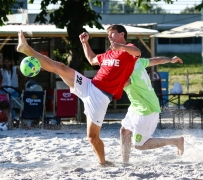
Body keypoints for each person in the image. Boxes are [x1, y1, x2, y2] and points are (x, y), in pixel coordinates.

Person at [16, 24, 141, 165]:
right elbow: (92, 60)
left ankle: (103, 163)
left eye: (112, 34)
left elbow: (137, 52)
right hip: (89, 85)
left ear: (122, 34)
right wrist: (85, 43)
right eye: (108, 35)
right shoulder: (109, 53)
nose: (109, 37)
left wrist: (121, 47)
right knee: (60, 67)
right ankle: (27, 50)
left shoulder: (128, 50)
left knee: (92, 137)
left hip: (101, 97)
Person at [120, 57, 184, 163]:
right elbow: (157, 60)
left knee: (139, 145)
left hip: (146, 109)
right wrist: (170, 59)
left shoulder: (130, 71)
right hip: (136, 106)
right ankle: (125, 163)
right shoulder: (138, 62)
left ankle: (176, 141)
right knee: (124, 131)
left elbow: (122, 83)